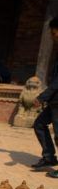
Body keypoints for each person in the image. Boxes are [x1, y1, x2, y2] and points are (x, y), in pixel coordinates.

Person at [33, 18, 58, 175]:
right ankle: (49, 157)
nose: (52, 36)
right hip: (54, 100)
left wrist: (42, 97)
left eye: (54, 33)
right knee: (39, 124)